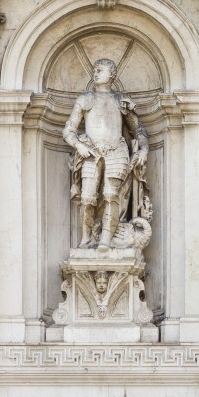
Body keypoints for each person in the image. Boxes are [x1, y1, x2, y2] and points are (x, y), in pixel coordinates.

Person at [63, 58, 149, 254]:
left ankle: (106, 241)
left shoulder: (121, 101)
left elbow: (139, 131)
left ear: (112, 74)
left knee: (111, 195)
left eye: (100, 70)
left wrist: (143, 150)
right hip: (91, 151)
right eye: (94, 70)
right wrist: (78, 145)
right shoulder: (85, 99)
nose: (95, 73)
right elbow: (69, 130)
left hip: (116, 151)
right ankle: (85, 239)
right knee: (87, 197)